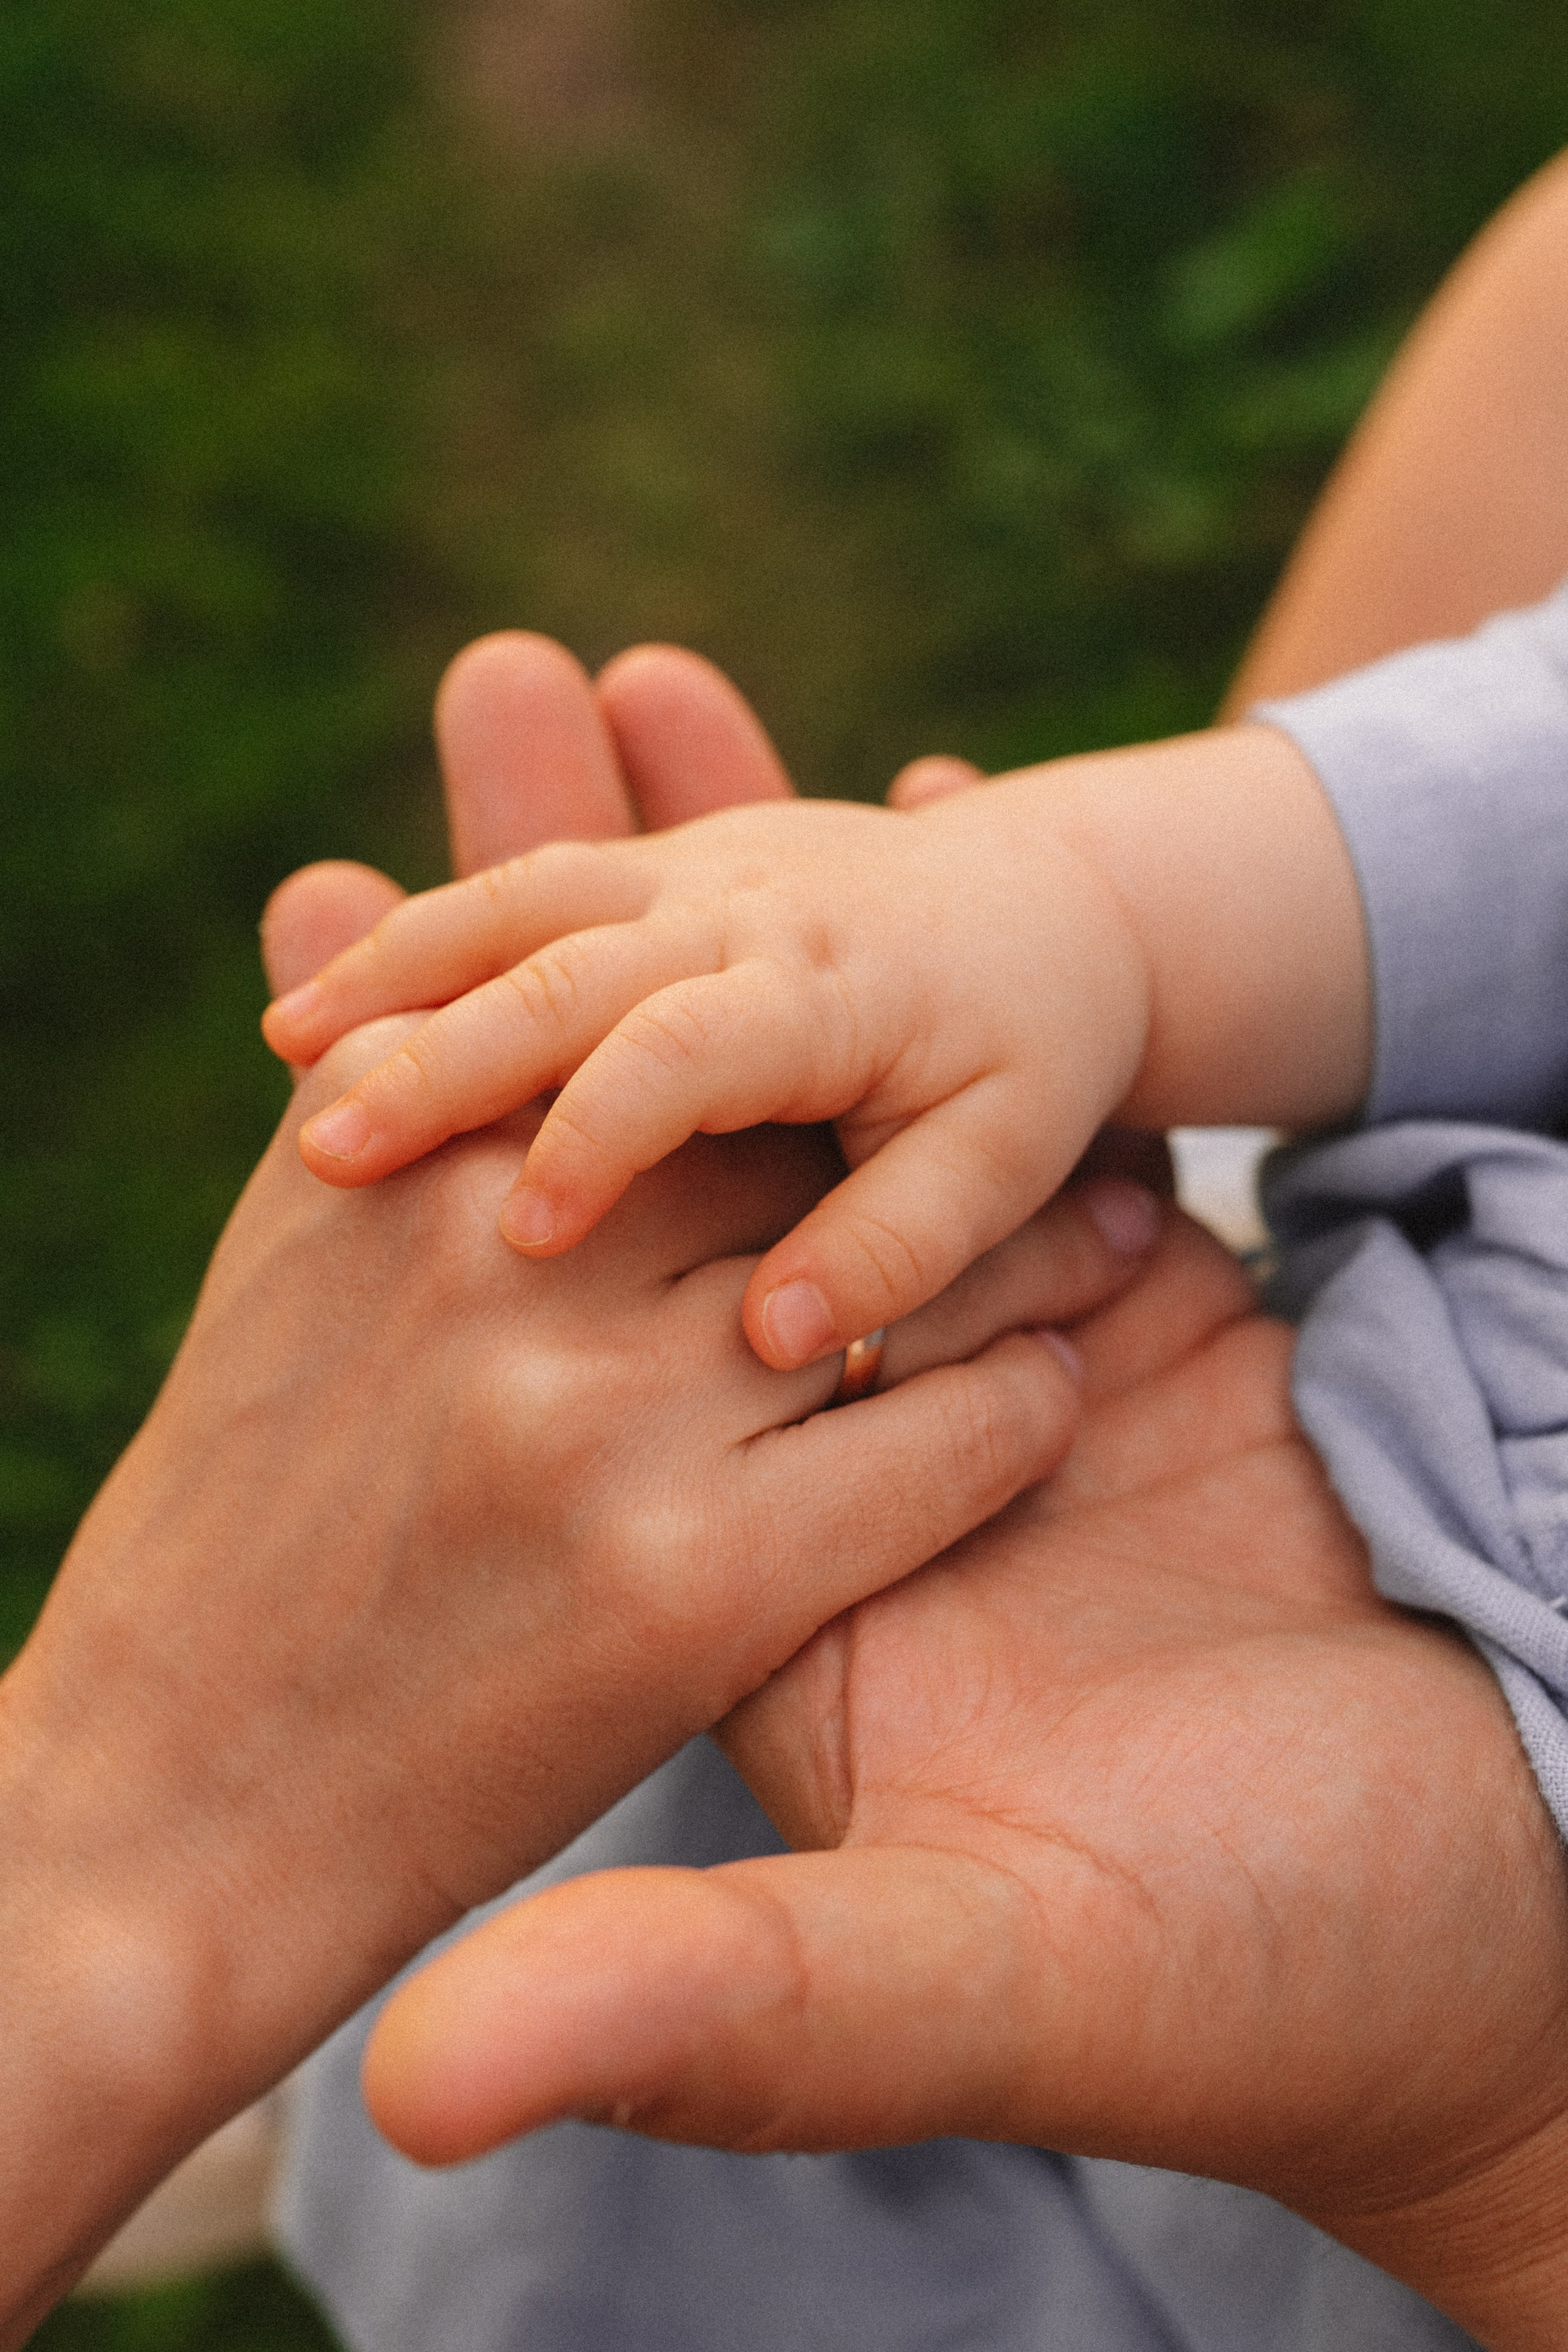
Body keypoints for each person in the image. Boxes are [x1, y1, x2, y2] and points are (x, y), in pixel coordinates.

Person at [2, 153, 1566, 2352]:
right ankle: (293, 2037)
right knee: (632, 1769)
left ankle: (240, 2019)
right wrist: (1099, 907)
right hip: (1208, 1361)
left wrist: (1505, 2147)